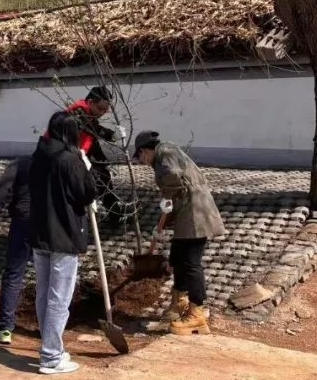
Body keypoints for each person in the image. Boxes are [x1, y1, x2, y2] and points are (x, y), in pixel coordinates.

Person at [132, 130, 225, 336]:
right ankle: (179, 303)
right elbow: (177, 185)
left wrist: (166, 196)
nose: (143, 163)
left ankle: (197, 314)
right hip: (185, 211)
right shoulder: (164, 154)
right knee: (178, 257)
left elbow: (173, 177)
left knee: (191, 262)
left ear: (144, 151)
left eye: (140, 158)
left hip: (195, 212)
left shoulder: (165, 152)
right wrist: (166, 218)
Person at [29, 111, 98, 375]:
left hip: (40, 234)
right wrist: (86, 169)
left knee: (44, 294)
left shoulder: (38, 156)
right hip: (64, 235)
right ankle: (50, 356)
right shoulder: (70, 159)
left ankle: (51, 347)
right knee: (59, 297)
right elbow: (86, 193)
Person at [0, 155, 32, 345]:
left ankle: (5, 328)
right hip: (51, 226)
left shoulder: (21, 163)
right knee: (52, 278)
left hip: (23, 221)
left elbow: (3, 189)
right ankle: (52, 330)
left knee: (14, 273)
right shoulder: (61, 163)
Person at [65, 86, 126, 221]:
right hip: (64, 158)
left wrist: (104, 162)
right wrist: (112, 135)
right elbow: (93, 129)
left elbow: (92, 143)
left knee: (103, 175)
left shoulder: (89, 115)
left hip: (79, 156)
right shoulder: (77, 112)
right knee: (91, 181)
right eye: (101, 108)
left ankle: (115, 211)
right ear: (91, 102)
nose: (103, 113)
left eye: (106, 110)